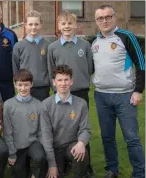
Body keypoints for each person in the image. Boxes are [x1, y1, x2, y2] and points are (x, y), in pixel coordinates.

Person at [92, 4, 145, 178]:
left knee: (131, 137)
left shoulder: (126, 36)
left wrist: (138, 90)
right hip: (101, 96)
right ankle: (112, 169)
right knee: (107, 137)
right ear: (96, 21)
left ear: (115, 18)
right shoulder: (94, 42)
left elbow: (141, 64)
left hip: (125, 96)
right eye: (100, 18)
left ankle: (139, 172)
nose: (104, 21)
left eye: (108, 17)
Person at [47, 11, 94, 176]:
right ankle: (62, 160)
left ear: (76, 25)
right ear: (59, 26)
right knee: (62, 127)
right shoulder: (52, 47)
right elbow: (50, 70)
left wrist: (80, 80)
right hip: (60, 95)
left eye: (70, 23)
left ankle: (86, 165)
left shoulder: (84, 45)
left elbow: (90, 68)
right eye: (63, 24)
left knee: (82, 128)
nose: (67, 26)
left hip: (80, 92)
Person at [40, 65, 91, 178]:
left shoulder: (81, 103)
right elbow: (46, 136)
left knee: (82, 153)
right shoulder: (46, 105)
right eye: (59, 80)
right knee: (53, 174)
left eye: (66, 79)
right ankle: (61, 167)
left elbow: (86, 129)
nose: (63, 83)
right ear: (54, 82)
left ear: (71, 81)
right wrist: (52, 165)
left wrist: (81, 143)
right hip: (54, 148)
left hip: (71, 146)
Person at [3, 69, 46, 178]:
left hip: (33, 143)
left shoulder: (38, 104)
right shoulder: (8, 105)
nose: (23, 88)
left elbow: (41, 130)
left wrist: (43, 145)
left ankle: (34, 174)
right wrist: (12, 153)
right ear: (15, 84)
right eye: (20, 85)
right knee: (19, 172)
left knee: (39, 157)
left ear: (31, 84)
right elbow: (7, 131)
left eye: (26, 85)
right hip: (16, 147)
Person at [12, 10, 51, 102]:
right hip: (24, 88)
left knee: (42, 115)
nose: (33, 27)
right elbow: (15, 68)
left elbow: (50, 68)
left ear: (41, 24)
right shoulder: (18, 46)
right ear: (25, 25)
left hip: (43, 89)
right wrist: (19, 85)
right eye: (30, 24)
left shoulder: (48, 45)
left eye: (36, 24)